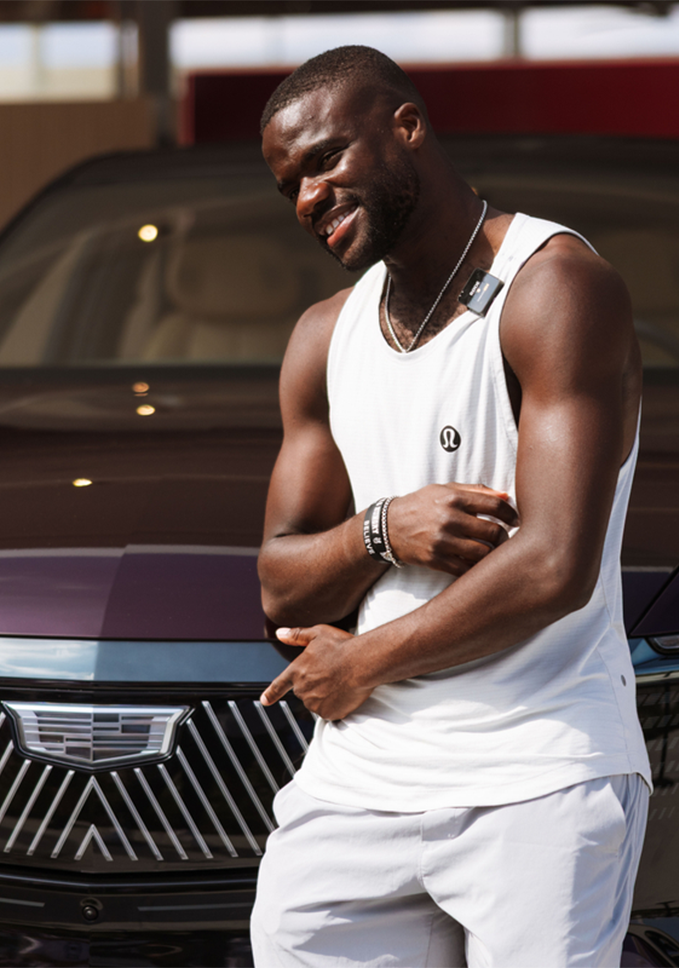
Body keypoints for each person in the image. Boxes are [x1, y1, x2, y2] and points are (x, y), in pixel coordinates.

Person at [251, 45, 651, 968]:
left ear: (406, 125)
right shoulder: (323, 336)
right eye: (289, 188)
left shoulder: (553, 287)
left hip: (538, 774)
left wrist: (361, 663)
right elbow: (280, 582)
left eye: (323, 161)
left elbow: (553, 565)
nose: (308, 198)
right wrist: (384, 527)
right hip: (356, 786)